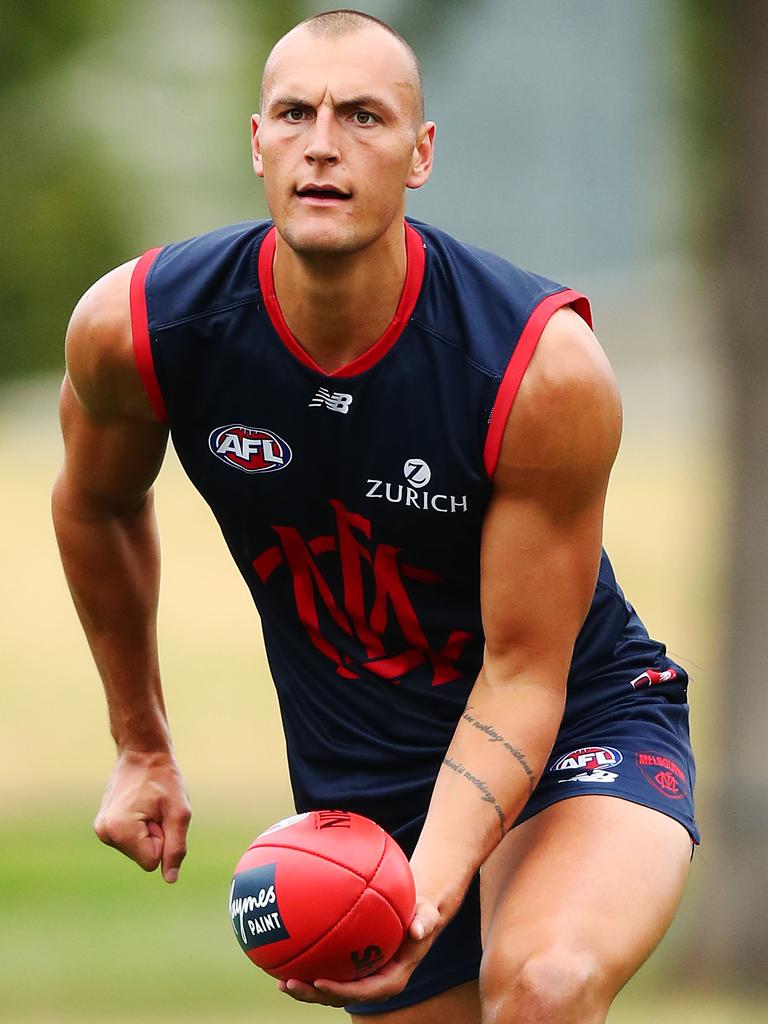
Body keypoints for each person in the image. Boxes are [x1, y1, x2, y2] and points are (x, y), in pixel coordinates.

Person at [52, 9, 698, 1023]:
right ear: (255, 141)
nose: (323, 143)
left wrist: (423, 894)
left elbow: (525, 669)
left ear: (420, 154)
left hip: (576, 716)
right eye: (295, 113)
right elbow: (95, 503)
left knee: (544, 984)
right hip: (368, 772)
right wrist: (141, 742)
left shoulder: (538, 370)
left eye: (363, 116)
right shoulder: (137, 330)